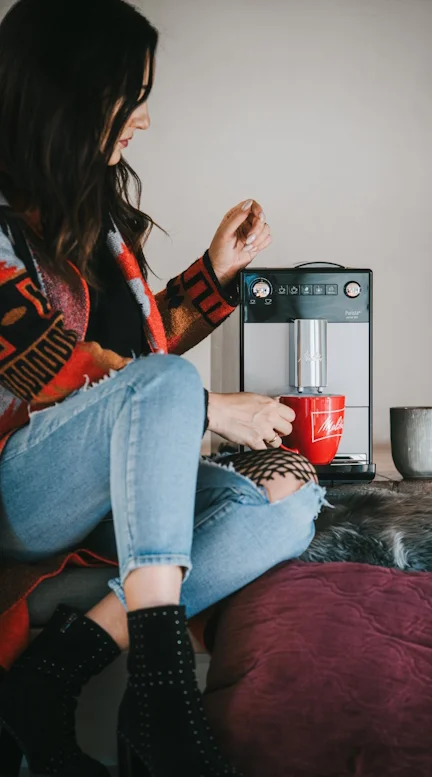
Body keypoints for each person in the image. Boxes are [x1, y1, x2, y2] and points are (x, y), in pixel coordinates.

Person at [0, 1, 326, 776]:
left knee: (293, 499)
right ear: (72, 92)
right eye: (131, 94)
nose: (141, 119)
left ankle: (52, 677)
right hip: (19, 488)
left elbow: (144, 370)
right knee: (173, 391)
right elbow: (46, 366)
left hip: (114, 487)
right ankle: (164, 699)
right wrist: (213, 408)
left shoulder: (97, 214)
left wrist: (213, 275)